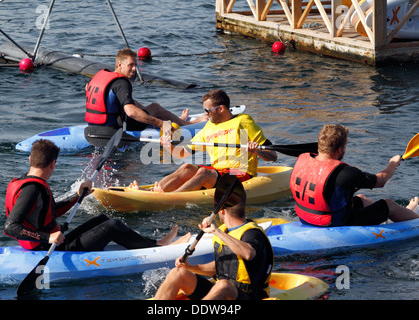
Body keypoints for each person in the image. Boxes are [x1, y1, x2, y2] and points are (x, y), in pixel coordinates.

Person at [4, 139, 190, 251]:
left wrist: (78, 196)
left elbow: (48, 211)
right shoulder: (32, 189)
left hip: (51, 241)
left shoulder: (27, 182)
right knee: (113, 226)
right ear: (53, 164)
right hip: (50, 247)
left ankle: (153, 242)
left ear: (30, 160)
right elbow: (11, 227)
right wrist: (48, 238)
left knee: (102, 219)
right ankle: (158, 247)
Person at [130, 89, 277, 192]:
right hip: (218, 172)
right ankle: (150, 190)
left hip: (239, 172)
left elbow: (273, 156)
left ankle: (171, 197)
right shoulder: (209, 127)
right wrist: (168, 145)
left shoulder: (244, 122)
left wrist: (256, 150)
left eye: (208, 110)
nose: (205, 114)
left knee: (204, 172)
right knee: (187, 167)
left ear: (221, 109)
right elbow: (181, 154)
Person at [154, 179, 274, 300]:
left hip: (249, 296)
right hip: (222, 292)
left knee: (224, 285)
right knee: (177, 273)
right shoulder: (225, 231)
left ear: (221, 211)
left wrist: (217, 231)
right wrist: (190, 267)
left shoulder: (252, 233)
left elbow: (248, 253)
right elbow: (219, 267)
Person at [290, 124, 419, 227]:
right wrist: (393, 163)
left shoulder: (303, 159)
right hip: (333, 222)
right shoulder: (346, 173)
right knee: (388, 204)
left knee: (362, 199)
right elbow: (382, 180)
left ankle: (405, 212)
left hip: (305, 217)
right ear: (340, 149)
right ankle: (414, 220)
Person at [84, 48, 206, 139]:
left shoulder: (100, 77)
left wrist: (142, 110)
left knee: (139, 105)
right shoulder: (122, 83)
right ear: (120, 65)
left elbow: (89, 90)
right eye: (131, 65)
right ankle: (187, 123)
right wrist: (160, 123)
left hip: (93, 127)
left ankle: (176, 119)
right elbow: (131, 112)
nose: (134, 69)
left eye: (135, 65)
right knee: (155, 107)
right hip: (115, 130)